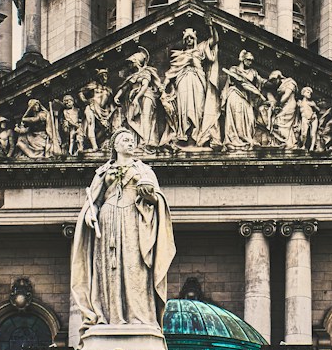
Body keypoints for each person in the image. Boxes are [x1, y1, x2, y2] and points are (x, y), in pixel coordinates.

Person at [71, 128, 176, 333]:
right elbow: (93, 200)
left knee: (135, 266)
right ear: (115, 146)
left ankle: (140, 318)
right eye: (125, 140)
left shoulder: (144, 170)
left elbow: (157, 199)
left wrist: (150, 196)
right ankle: (110, 317)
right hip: (108, 219)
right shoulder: (103, 171)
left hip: (134, 221)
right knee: (109, 268)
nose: (130, 143)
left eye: (132, 141)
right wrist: (90, 214)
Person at [161, 22, 220, 147]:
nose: (189, 40)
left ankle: (197, 134)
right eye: (186, 38)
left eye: (191, 38)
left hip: (197, 80)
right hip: (182, 80)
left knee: (199, 108)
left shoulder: (201, 48)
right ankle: (183, 134)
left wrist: (210, 26)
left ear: (195, 39)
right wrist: (164, 85)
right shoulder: (179, 55)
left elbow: (215, 39)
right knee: (184, 107)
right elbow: (171, 72)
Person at [221, 50, 265, 149]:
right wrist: (258, 93)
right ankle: (236, 139)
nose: (250, 62)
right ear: (243, 59)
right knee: (237, 117)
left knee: (250, 119)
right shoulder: (234, 69)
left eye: (251, 61)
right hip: (235, 94)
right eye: (248, 60)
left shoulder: (253, 72)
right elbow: (241, 83)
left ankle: (247, 137)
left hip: (247, 98)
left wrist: (275, 80)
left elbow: (262, 81)